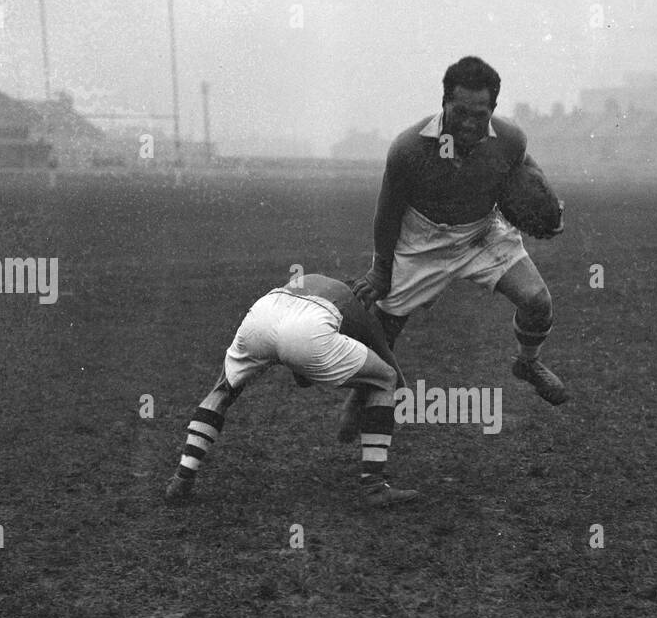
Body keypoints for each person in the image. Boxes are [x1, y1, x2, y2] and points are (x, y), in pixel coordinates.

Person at [340, 55, 567, 441]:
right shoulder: (408, 148)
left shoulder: (510, 139)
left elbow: (529, 174)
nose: (468, 122)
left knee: (537, 302)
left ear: (493, 108)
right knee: (383, 333)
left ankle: (528, 363)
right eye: (459, 111)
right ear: (443, 103)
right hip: (422, 240)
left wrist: (550, 212)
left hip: (481, 234)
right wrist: (381, 270)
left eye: (479, 113)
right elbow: (388, 212)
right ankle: (360, 397)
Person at [164, 272, 418, 507]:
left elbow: (298, 368)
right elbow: (391, 372)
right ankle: (374, 487)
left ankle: (182, 477)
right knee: (385, 378)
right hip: (308, 331)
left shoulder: (314, 280)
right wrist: (382, 404)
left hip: (263, 313)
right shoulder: (358, 308)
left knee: (223, 390)